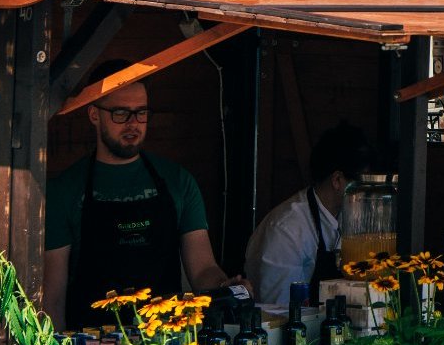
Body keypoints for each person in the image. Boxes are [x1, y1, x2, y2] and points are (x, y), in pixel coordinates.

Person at [42, 61, 246, 330]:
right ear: (94, 114)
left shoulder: (178, 182)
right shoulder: (65, 190)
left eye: (141, 113)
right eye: (120, 113)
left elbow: (202, 269)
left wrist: (224, 286)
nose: (132, 124)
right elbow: (52, 297)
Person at [244, 123, 373, 306]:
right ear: (337, 180)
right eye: (362, 183)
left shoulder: (345, 217)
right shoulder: (287, 230)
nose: (366, 193)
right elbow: (278, 310)